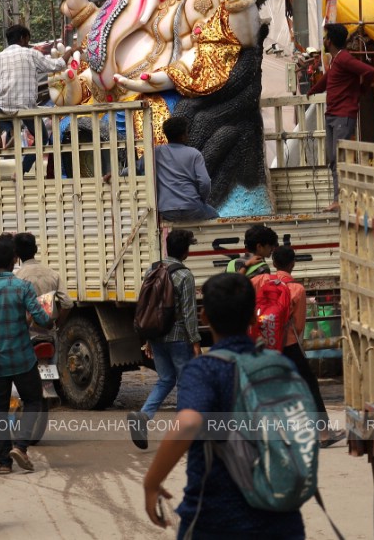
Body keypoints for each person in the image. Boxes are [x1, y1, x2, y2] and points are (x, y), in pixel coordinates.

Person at [141, 272, 305, 539]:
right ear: (254, 316)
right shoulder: (280, 367)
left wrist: (151, 483)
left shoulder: (205, 369)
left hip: (217, 519)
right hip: (282, 521)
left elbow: (189, 423)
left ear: (204, 318)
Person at [0, 234, 53, 474]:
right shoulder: (22, 287)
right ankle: (22, 445)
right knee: (34, 400)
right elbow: (43, 319)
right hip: (23, 359)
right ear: (15, 259)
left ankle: (4, 462)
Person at [128, 228, 199, 449]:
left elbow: (147, 307)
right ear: (185, 251)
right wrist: (195, 342)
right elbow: (188, 313)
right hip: (178, 337)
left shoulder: (152, 269)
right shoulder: (184, 275)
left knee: (166, 379)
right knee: (186, 382)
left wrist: (148, 338)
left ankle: (144, 416)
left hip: (157, 336)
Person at [269, 245, 342, 448]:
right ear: (293, 264)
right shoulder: (297, 289)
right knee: (310, 386)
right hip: (289, 345)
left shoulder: (261, 281)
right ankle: (324, 435)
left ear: (273, 263)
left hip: (265, 344)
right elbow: (299, 326)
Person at [308, 23, 374, 204]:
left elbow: (370, 71)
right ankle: (339, 199)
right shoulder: (337, 59)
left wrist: (362, 89)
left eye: (324, 37)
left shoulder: (344, 58)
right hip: (333, 114)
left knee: (339, 158)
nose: (323, 40)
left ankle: (342, 200)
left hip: (343, 115)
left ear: (329, 41)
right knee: (333, 159)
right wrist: (312, 90)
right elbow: (328, 79)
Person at [0, 24, 65, 171]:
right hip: (26, 108)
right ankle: (22, 169)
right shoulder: (31, 54)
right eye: (27, 39)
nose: (28, 43)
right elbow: (56, 66)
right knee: (42, 138)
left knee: (1, 113)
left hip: (3, 107)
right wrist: (70, 52)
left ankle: (5, 132)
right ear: (22, 38)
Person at [153, 116, 219, 222]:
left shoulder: (156, 152)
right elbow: (205, 182)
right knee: (214, 215)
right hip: (193, 209)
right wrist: (202, 200)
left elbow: (136, 168)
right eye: (186, 132)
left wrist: (121, 173)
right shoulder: (194, 154)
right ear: (183, 136)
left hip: (167, 211)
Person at [13, 232, 61, 297]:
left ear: (16, 253)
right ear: (36, 249)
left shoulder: (17, 277)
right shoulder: (53, 274)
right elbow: (67, 303)